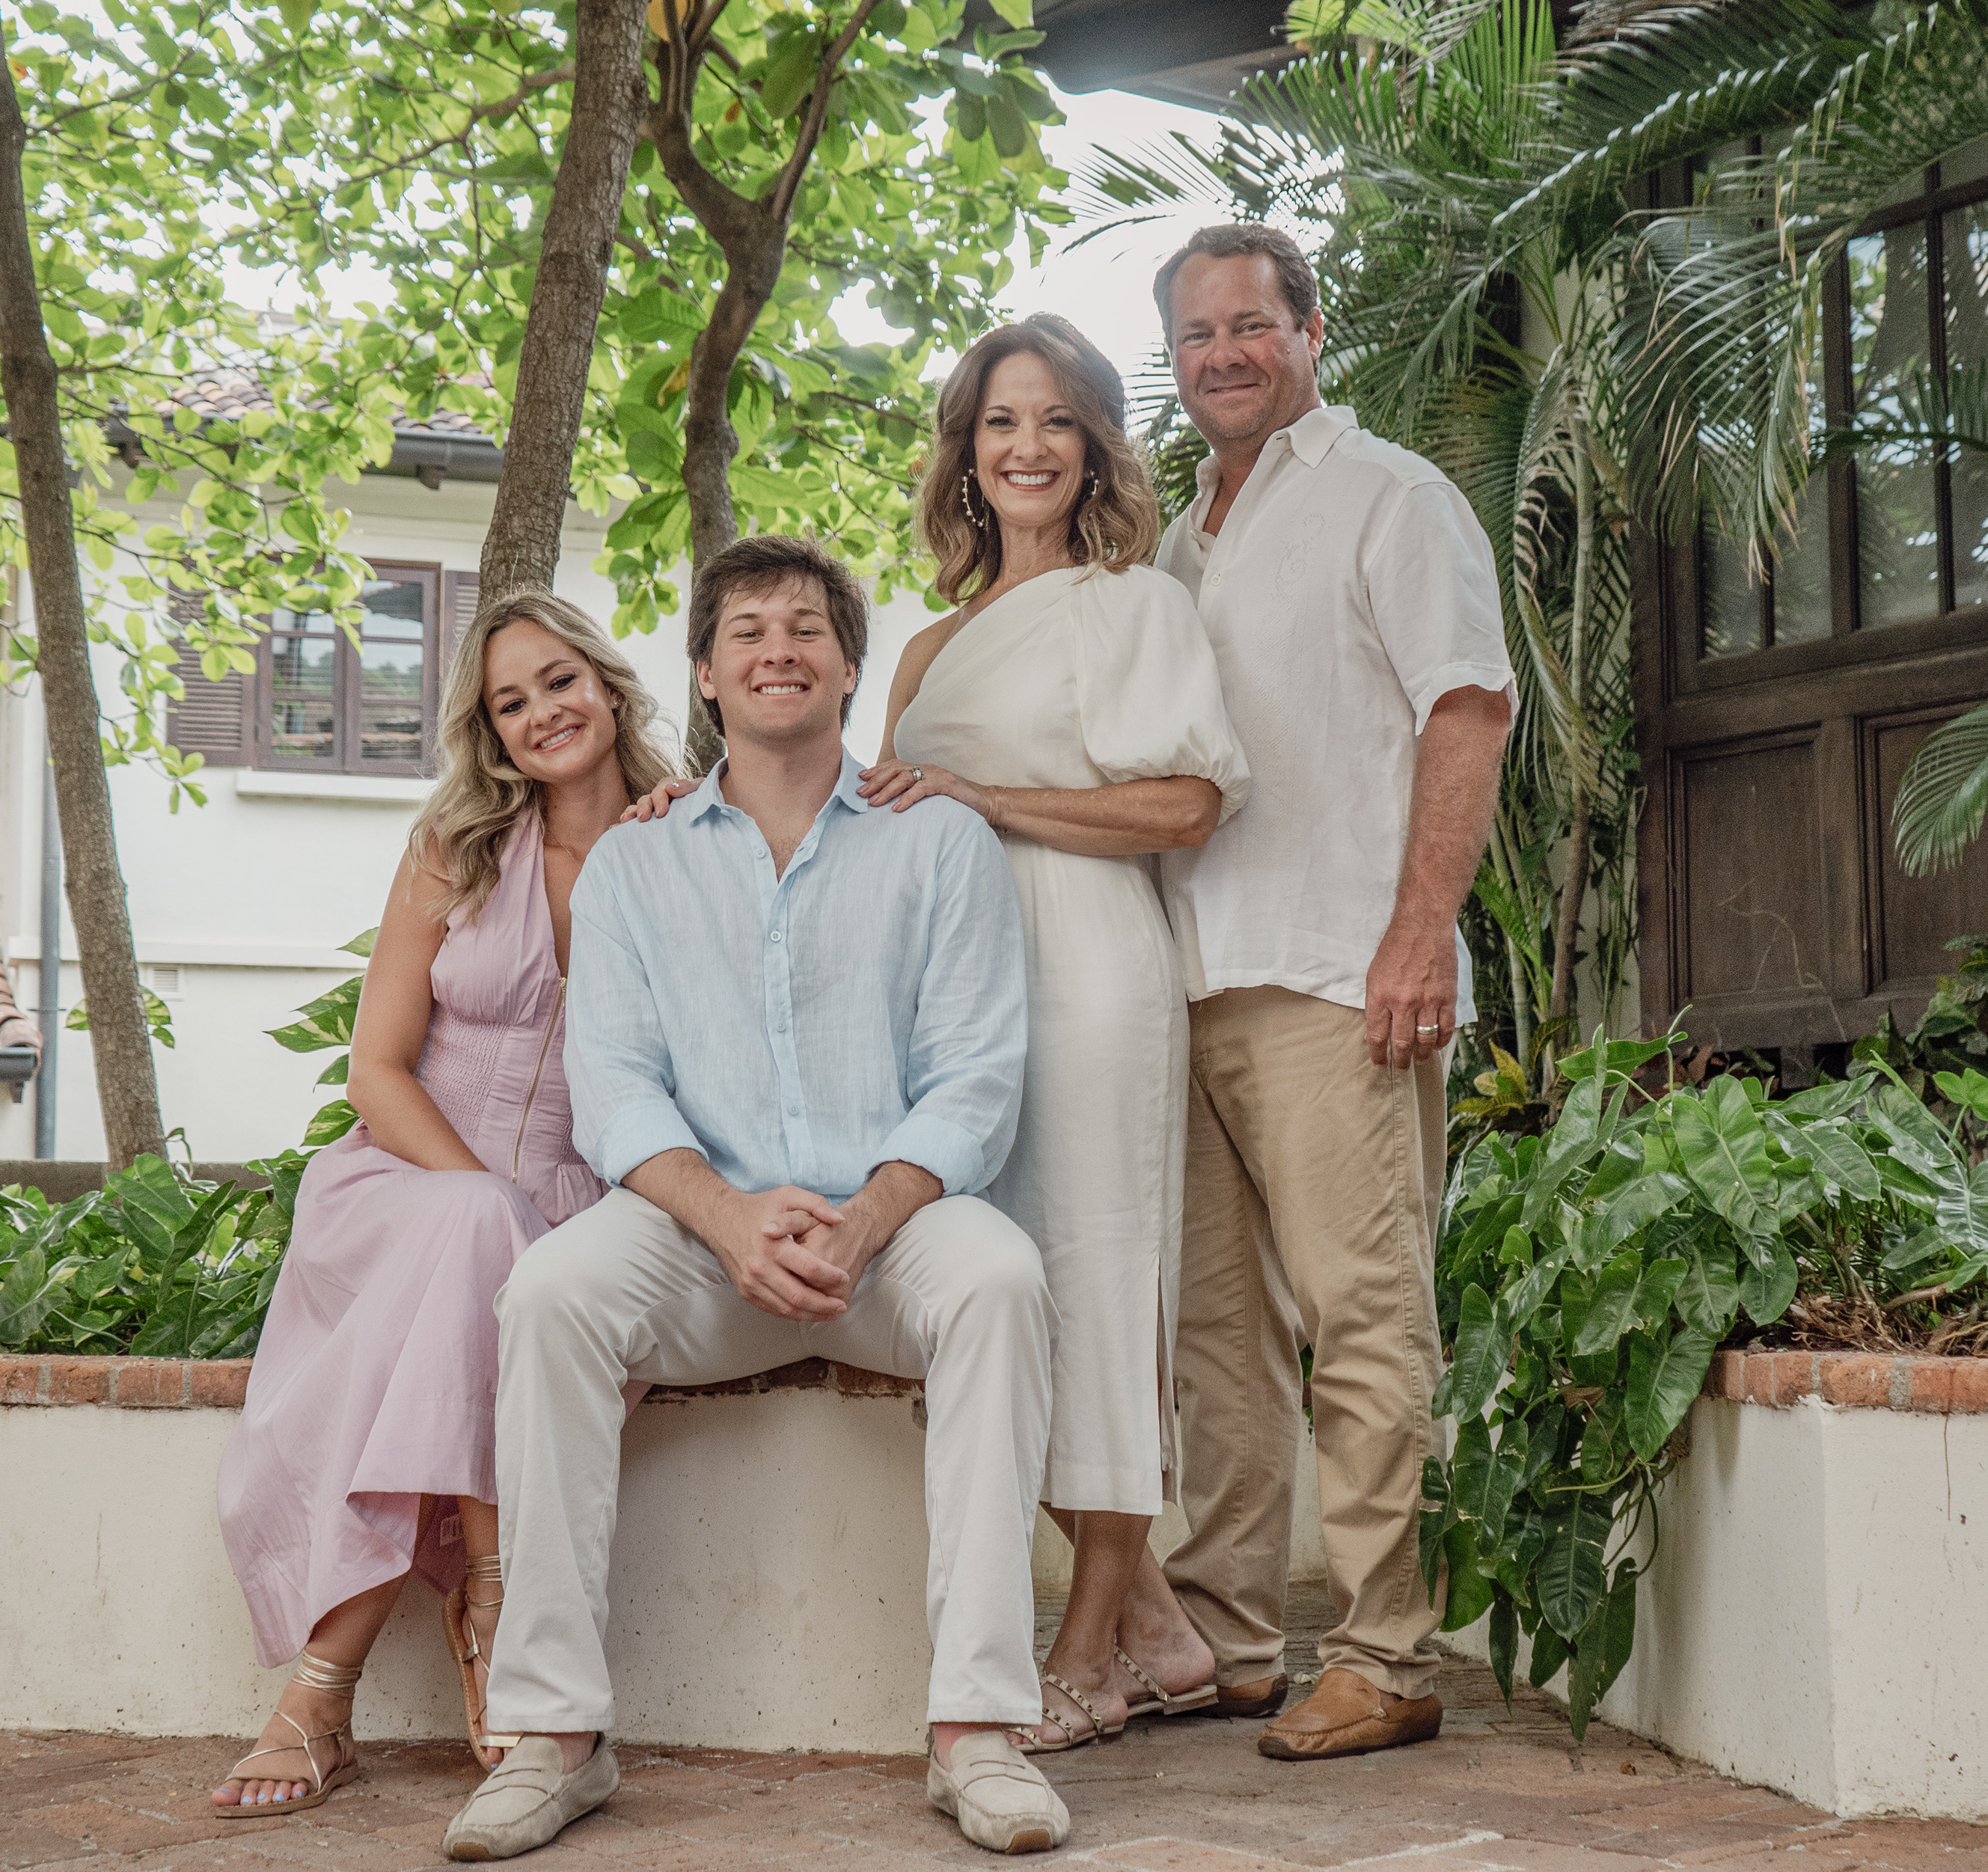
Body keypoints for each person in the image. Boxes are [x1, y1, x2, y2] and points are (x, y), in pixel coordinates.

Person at [441, 535, 1072, 1862]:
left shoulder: (941, 842)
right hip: (700, 1239)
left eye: (805, 629)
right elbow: (617, 1090)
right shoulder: (637, 863)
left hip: (890, 1234)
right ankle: (554, 1735)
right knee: (551, 1294)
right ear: (706, 675)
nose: (777, 649)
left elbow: (975, 1078)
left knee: (1001, 1278)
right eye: (747, 631)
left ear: (848, 669)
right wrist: (729, 1221)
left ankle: (976, 1730)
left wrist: (866, 1218)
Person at [212, 588, 675, 1817]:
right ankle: (494, 1598)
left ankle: (321, 1699)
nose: (542, 714)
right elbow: (376, 1068)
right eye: (510, 703)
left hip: (587, 1213)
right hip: (405, 1184)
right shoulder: (454, 846)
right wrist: (485, 1204)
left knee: (502, 1268)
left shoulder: (688, 840)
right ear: (491, 731)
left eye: (560, 681)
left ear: (608, 685)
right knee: (480, 1235)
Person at [1150, 222, 1517, 1761]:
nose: (1223, 354)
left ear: (1312, 332)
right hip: (1187, 977)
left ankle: (1386, 1654)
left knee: (1363, 1318)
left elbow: (1469, 707)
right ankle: (1229, 1639)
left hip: (1335, 971)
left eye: (1252, 324)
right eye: (1195, 335)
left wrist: (1420, 932)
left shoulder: (1391, 497)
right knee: (1216, 1341)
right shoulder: (1178, 541)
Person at [874, 314, 1250, 1752]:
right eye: (998, 423)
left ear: (1093, 447)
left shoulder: (1133, 606)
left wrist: (991, 803)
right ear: (965, 455)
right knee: (991, 1301)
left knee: (1096, 1293)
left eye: (1054, 421)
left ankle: (1088, 1656)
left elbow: (1185, 807)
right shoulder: (926, 651)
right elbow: (877, 825)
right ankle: (1161, 1628)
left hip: (1090, 970)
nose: (1025, 447)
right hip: (955, 995)